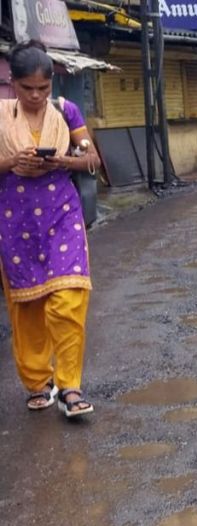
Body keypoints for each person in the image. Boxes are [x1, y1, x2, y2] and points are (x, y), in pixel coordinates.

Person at [0, 41, 102, 418]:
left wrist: (63, 161)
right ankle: (38, 381)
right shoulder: (0, 116)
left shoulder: (66, 111)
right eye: (28, 88)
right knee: (28, 306)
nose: (37, 96)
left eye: (43, 88)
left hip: (61, 214)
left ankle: (70, 386)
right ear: (13, 82)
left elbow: (91, 158)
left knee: (70, 297)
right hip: (15, 219)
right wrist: (14, 161)